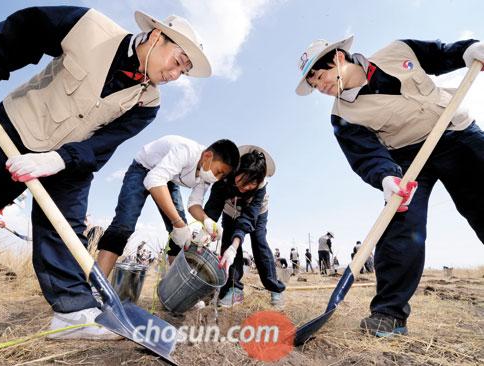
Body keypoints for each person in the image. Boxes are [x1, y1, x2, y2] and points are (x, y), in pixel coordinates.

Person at [0, 6, 211, 340]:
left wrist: (59, 160)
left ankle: (72, 312)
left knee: (66, 228)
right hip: (16, 127)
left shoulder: (149, 103)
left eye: (183, 71)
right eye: (177, 61)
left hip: (70, 158)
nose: (176, 75)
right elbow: (31, 27)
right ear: (157, 36)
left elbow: (104, 144)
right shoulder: (91, 27)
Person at [296, 35, 484, 337]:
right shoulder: (342, 116)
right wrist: (386, 178)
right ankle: (389, 315)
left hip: (456, 133)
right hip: (408, 160)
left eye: (320, 76)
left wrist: (468, 49)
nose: (320, 86)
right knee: (400, 227)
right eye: (314, 85)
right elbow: (366, 154)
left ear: (339, 58)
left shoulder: (399, 51)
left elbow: (441, 54)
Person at [95, 136, 239, 275]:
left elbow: (194, 204)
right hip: (143, 168)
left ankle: (175, 289)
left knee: (180, 234)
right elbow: (154, 180)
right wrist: (178, 223)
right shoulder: (186, 151)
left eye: (222, 176)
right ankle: (97, 289)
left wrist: (206, 221)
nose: (217, 178)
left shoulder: (205, 176)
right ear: (207, 156)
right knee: (124, 223)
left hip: (169, 179)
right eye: (219, 172)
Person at [204, 146, 285, 307]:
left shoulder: (261, 187)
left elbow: (248, 218)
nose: (242, 189)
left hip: (256, 213)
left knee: (259, 241)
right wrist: (207, 229)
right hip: (230, 209)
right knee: (227, 239)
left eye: (248, 186)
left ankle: (275, 288)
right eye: (239, 183)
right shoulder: (225, 175)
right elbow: (213, 205)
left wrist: (235, 247)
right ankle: (234, 289)